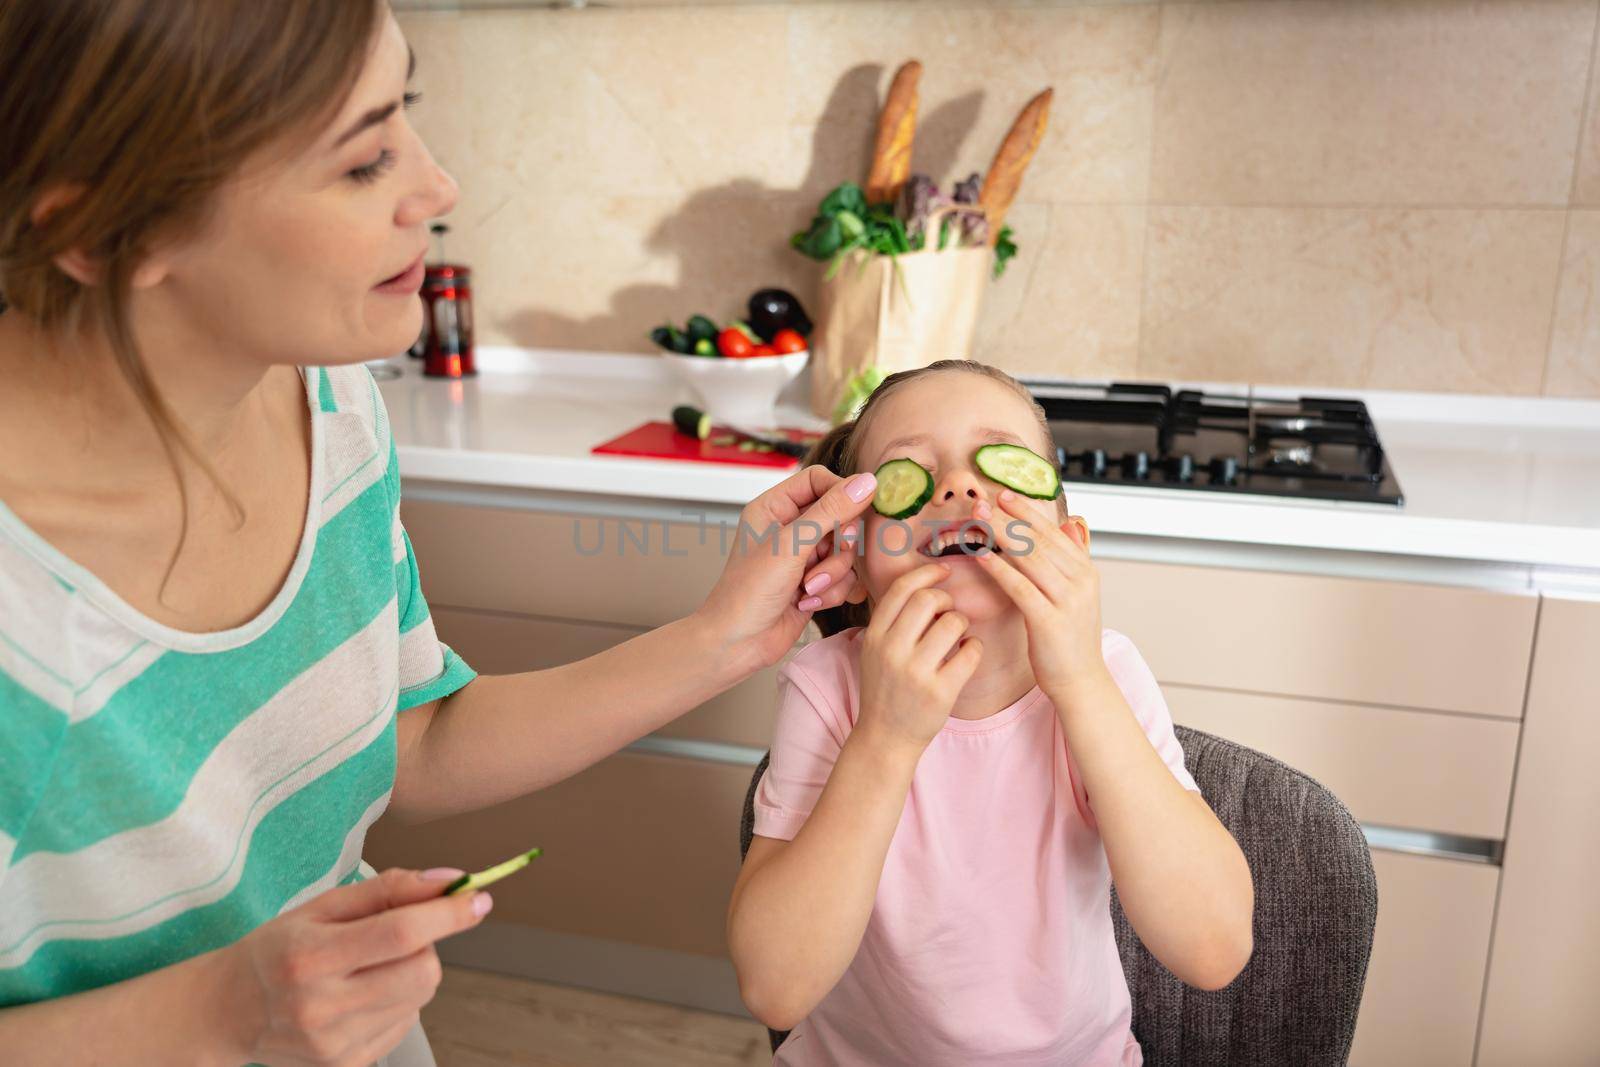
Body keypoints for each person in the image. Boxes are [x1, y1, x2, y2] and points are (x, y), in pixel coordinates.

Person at [0, 3, 875, 1063]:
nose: (438, 187)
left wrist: (721, 640)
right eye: (365, 160)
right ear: (99, 231)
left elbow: (406, 740)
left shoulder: (330, 401)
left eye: (404, 111)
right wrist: (225, 1010)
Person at [727, 360, 1256, 1065]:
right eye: (907, 472)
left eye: (1000, 464)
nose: (958, 486)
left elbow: (1213, 949)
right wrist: (885, 737)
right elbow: (775, 987)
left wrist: (1079, 682)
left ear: (1071, 545)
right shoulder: (828, 687)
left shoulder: (1110, 674)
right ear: (853, 559)